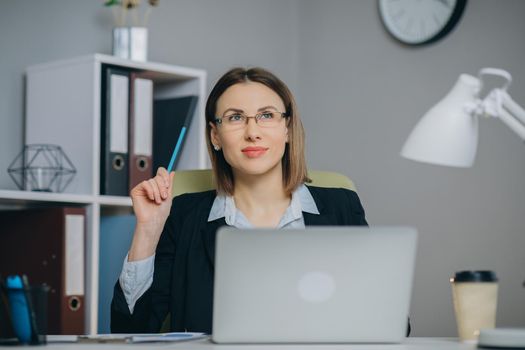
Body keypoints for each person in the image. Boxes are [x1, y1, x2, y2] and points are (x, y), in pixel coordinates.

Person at [111, 67, 368, 334]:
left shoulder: (343, 207)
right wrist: (148, 231)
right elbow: (132, 330)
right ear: (215, 136)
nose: (252, 132)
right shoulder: (184, 215)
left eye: (266, 115)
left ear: (288, 129)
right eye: (235, 117)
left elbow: (386, 318)